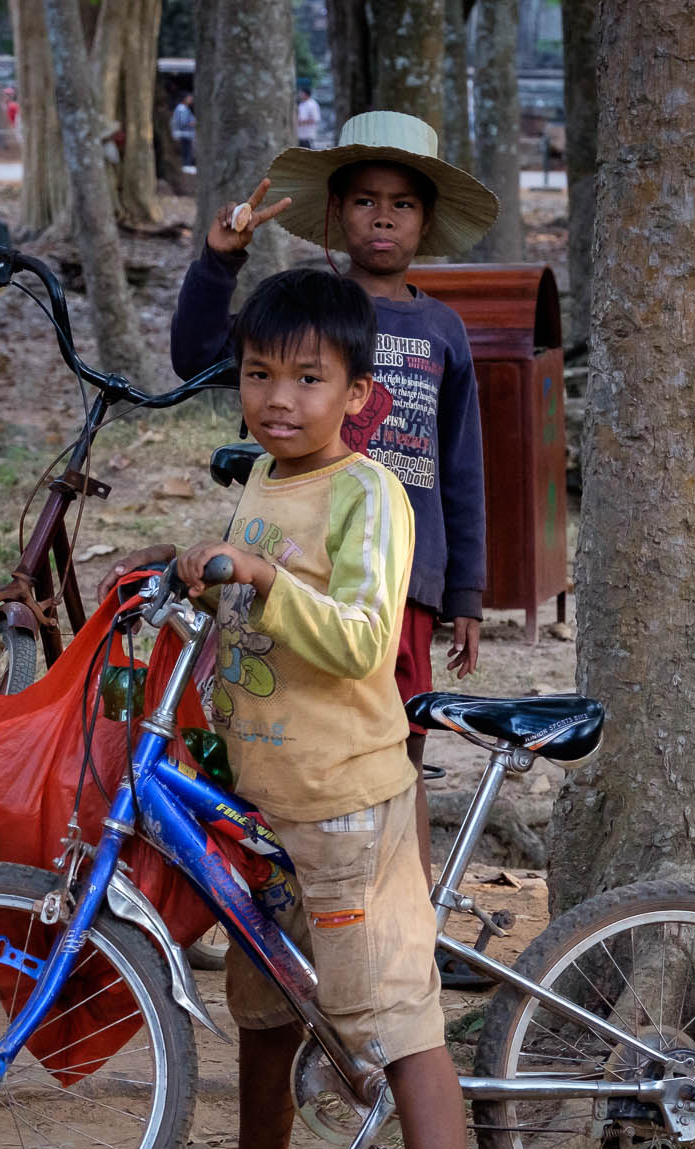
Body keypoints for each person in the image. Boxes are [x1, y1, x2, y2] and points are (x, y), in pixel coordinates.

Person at [97, 268, 480, 1149]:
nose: (279, 396)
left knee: (398, 1027)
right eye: (260, 374)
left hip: (349, 805)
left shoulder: (370, 494)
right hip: (266, 803)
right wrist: (182, 570)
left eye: (308, 378)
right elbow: (245, 588)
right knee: (263, 1006)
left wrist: (261, 582)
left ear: (360, 394)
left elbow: (362, 637)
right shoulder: (266, 478)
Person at [163, 110, 495, 893]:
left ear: (427, 220)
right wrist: (219, 260)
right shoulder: (302, 313)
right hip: (290, 558)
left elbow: (462, 466)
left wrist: (468, 592)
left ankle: (408, 912)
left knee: (395, 750)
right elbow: (195, 355)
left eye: (402, 203)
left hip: (401, 583)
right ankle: (276, 903)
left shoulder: (444, 330)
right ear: (335, 215)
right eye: (363, 201)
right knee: (279, 737)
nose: (382, 216)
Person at [170, 91, 195, 166]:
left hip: (185, 134)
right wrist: (193, 123)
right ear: (185, 99)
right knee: (186, 151)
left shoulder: (184, 108)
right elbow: (183, 122)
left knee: (187, 151)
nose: (191, 99)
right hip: (183, 134)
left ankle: (186, 165)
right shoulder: (182, 109)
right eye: (189, 98)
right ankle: (186, 165)